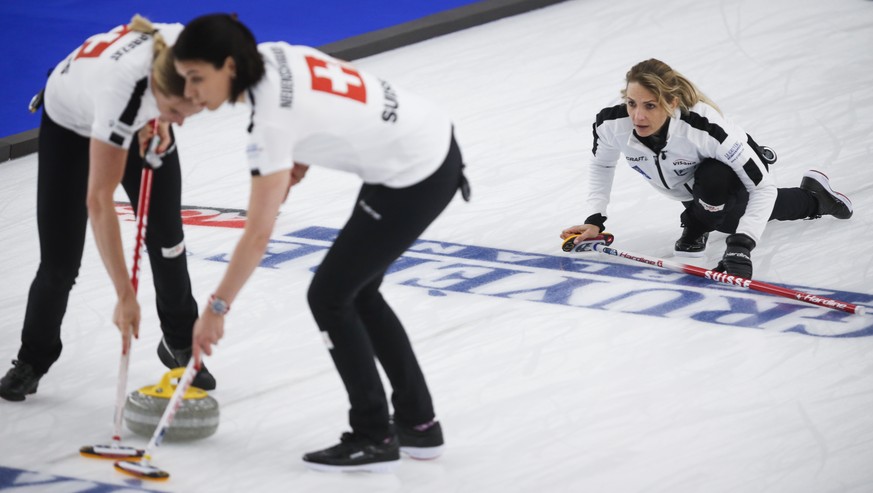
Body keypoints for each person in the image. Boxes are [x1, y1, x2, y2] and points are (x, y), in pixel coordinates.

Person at [169, 13, 469, 473]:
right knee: (358, 291)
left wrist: (215, 309)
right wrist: (301, 155)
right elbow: (326, 101)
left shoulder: (268, 124)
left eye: (195, 78)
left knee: (329, 295)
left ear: (229, 66)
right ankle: (419, 425)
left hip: (415, 172)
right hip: (423, 140)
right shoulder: (274, 54)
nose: (189, 92)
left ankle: (374, 434)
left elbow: (258, 233)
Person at [0, 15, 216, 403]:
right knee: (60, 262)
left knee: (168, 240)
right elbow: (100, 203)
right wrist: (124, 294)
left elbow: (168, 93)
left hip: (135, 106)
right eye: (178, 112)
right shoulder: (121, 97)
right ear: (158, 91)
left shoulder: (182, 50)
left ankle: (179, 342)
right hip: (72, 126)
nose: (182, 122)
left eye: (191, 110)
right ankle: (33, 359)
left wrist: (159, 117)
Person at [560, 58, 852, 278]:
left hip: (729, 174)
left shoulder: (706, 128)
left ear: (672, 102)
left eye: (650, 106)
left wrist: (742, 243)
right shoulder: (611, 124)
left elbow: (762, 187)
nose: (638, 115)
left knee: (722, 196)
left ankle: (815, 201)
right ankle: (702, 218)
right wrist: (595, 218)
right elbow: (602, 164)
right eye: (631, 103)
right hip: (692, 190)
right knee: (724, 218)